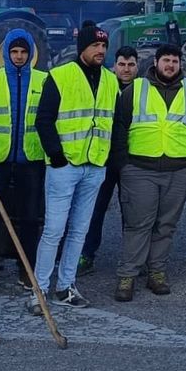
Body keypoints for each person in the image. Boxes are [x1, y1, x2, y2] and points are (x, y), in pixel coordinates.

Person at [33, 21, 120, 307]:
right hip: (65, 166)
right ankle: (40, 289)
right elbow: (43, 120)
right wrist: (56, 156)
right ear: (83, 47)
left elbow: (115, 123)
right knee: (54, 230)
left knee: (79, 230)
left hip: (95, 166)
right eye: (95, 45)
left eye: (104, 46)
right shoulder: (60, 75)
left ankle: (66, 286)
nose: (100, 50)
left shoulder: (110, 79)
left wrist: (108, 158)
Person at [110, 42, 186, 300]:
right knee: (138, 224)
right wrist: (123, 164)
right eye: (166, 60)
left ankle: (157, 272)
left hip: (179, 170)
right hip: (139, 170)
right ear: (156, 63)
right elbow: (120, 127)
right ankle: (127, 276)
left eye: (174, 61)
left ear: (179, 64)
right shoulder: (136, 89)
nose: (170, 65)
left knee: (166, 225)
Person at [0, 29, 47, 293]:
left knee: (29, 217)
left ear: (31, 54)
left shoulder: (43, 80)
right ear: (5, 53)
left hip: (31, 158)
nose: (18, 56)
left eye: (23, 52)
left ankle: (26, 270)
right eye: (14, 52)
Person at [79, 44, 140, 275]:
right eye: (122, 64)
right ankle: (86, 254)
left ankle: (131, 258)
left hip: (131, 160)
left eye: (131, 65)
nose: (126, 69)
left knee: (132, 213)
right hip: (103, 158)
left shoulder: (144, 91)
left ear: (138, 66)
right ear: (114, 66)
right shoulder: (104, 85)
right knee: (95, 210)